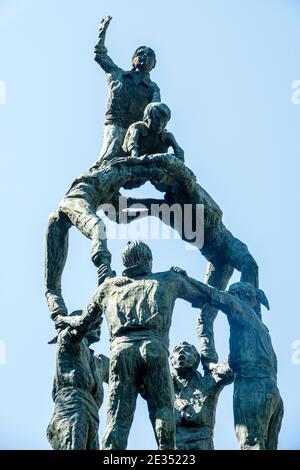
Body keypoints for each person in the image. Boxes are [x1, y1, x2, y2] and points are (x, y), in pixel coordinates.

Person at [54, 240, 217, 450]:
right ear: (149, 260)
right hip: (154, 348)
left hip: (122, 353)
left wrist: (64, 319)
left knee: (117, 419)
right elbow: (208, 295)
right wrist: (183, 278)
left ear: (125, 262)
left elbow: (85, 322)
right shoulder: (167, 279)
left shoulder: (108, 287)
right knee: (163, 412)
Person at [196, 281, 283, 450]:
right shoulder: (261, 329)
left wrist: (184, 281)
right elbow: (239, 361)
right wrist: (216, 368)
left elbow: (213, 294)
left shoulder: (240, 309)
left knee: (251, 445)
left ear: (237, 295)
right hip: (273, 394)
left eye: (232, 294)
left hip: (252, 388)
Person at [93, 16, 161, 166]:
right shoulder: (117, 74)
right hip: (115, 126)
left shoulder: (153, 88)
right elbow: (100, 54)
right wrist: (102, 32)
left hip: (138, 132)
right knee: (106, 161)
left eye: (150, 55)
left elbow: (155, 111)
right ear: (133, 60)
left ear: (153, 64)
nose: (144, 56)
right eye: (140, 53)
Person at [47, 311, 109, 450]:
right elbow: (83, 324)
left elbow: (127, 373)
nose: (98, 325)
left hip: (93, 416)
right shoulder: (67, 339)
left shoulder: (100, 362)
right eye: (95, 322)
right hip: (71, 408)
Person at [171, 341, 233, 450]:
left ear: (196, 360)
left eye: (187, 350)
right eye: (177, 350)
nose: (181, 351)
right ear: (171, 360)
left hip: (201, 444)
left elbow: (230, 370)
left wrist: (211, 365)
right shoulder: (164, 386)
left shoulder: (207, 383)